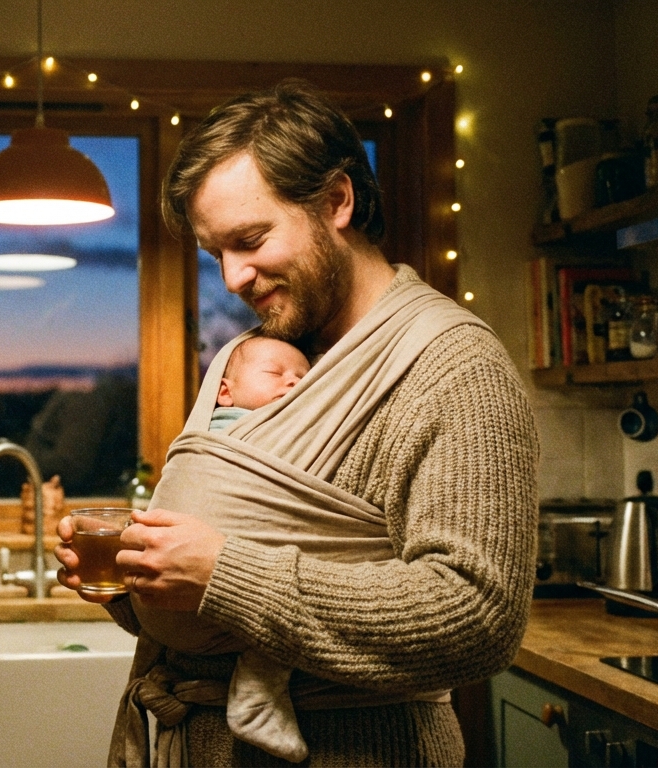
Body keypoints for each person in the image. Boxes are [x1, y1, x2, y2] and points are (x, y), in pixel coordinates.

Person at [54, 79, 538, 767]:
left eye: (249, 240)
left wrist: (226, 574)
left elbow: (477, 618)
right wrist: (139, 585)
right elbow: (220, 576)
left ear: (336, 201)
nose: (231, 277)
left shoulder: (453, 366)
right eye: (214, 252)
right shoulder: (261, 358)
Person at [210, 335, 310, 432]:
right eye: (274, 372)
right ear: (226, 393)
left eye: (302, 378)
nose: (295, 381)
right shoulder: (208, 436)